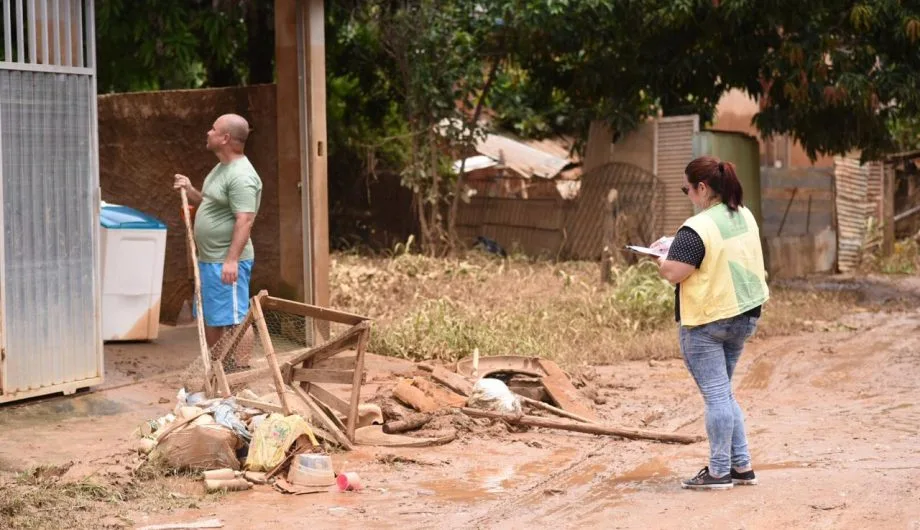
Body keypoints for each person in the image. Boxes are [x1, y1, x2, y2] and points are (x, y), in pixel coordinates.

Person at [657, 155, 769, 490]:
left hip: (708, 321)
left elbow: (675, 272)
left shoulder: (697, 227)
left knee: (717, 397)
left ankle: (719, 472)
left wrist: (661, 258)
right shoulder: (744, 215)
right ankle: (742, 466)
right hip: (744, 315)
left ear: (702, 188)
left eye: (686, 189)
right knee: (724, 394)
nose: (688, 195)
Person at [173, 113, 263, 365]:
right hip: (210, 259)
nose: (208, 133)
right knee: (213, 317)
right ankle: (219, 370)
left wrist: (232, 260)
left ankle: (240, 372)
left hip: (226, 261)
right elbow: (211, 203)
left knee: (236, 318)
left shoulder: (242, 176)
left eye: (213, 129)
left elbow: (245, 219)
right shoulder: (221, 168)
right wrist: (191, 191)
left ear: (225, 138)